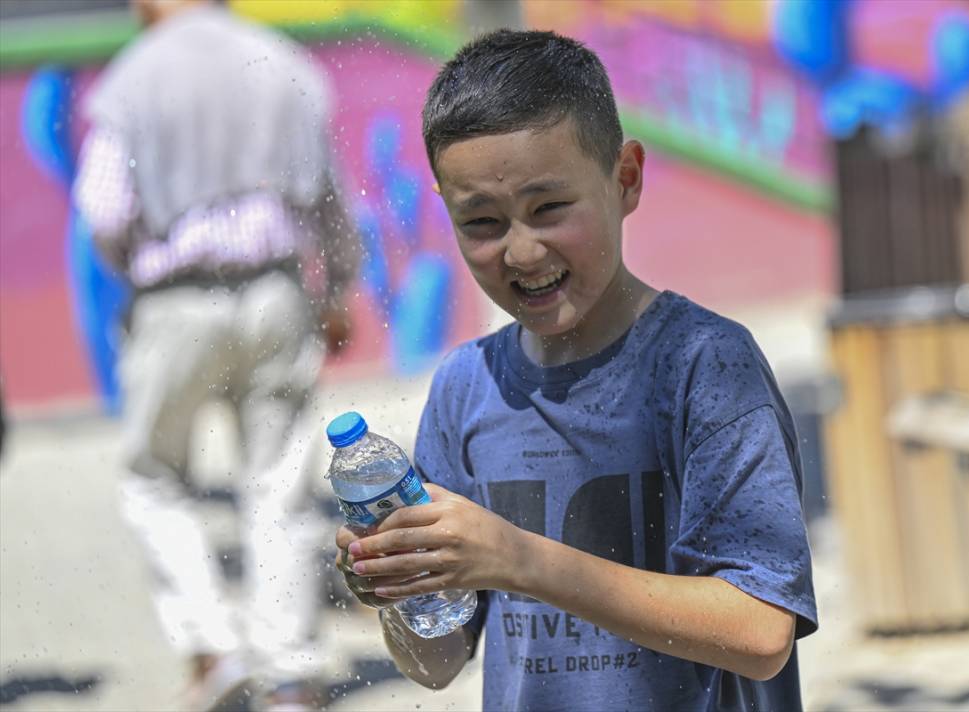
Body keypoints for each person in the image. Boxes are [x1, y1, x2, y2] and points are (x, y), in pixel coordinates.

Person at [334, 29, 817, 711]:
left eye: (549, 209)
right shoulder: (466, 389)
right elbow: (437, 665)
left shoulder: (705, 366)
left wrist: (519, 559)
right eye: (483, 223)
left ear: (626, 180)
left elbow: (763, 631)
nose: (523, 251)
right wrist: (396, 591)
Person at [74, 0, 360, 709]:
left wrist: (137, 267)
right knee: (280, 480)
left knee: (154, 476)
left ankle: (213, 650)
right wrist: (341, 288)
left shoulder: (132, 76)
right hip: (278, 292)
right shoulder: (283, 61)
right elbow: (329, 196)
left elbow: (105, 210)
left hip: (175, 298)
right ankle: (291, 672)